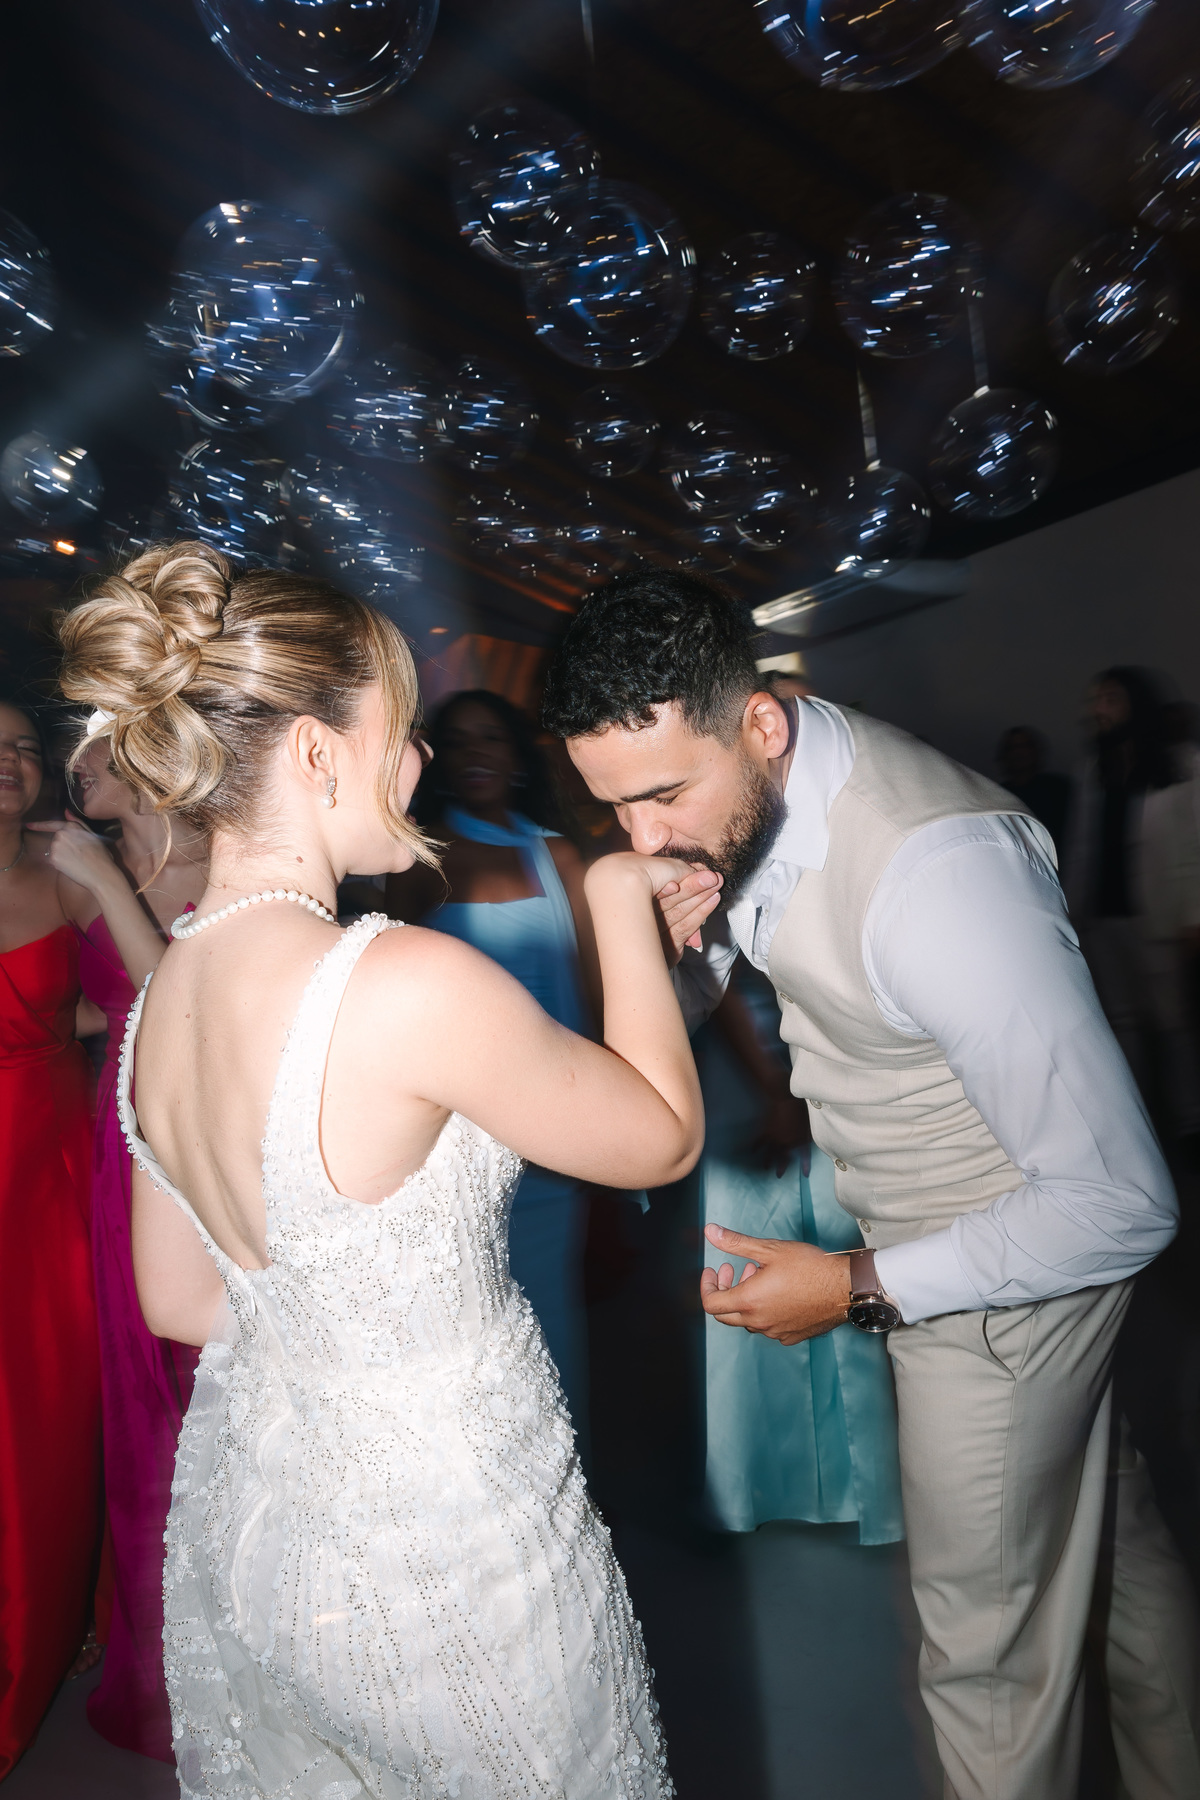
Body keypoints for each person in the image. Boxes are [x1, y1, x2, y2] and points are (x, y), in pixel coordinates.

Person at [55, 540, 716, 1798]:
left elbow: (183, 1304)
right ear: (317, 754)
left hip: (264, 1531)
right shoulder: (399, 982)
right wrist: (621, 896)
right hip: (447, 1543)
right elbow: (661, 1139)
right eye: (399, 731)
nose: (414, 763)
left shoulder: (160, 1002)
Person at [542, 570, 1200, 1800]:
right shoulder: (742, 803)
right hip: (954, 1243)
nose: (643, 838)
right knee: (1115, 1562)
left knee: (986, 1662)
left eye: (663, 794)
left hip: (1005, 1285)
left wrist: (851, 1284)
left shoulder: (935, 872)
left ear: (763, 722)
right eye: (614, 808)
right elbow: (753, 989)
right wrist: (677, 943)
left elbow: (1123, 1200)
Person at [27, 733, 207, 1760]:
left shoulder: (216, 856)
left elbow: (187, 1002)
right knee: (136, 1383)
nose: (68, 765)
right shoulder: (82, 865)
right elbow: (114, 1004)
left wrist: (102, 879)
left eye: (91, 750)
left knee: (202, 1379)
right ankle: (153, 1649)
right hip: (116, 1138)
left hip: (195, 1134)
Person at [386, 690, 599, 1427]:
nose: (478, 754)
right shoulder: (422, 858)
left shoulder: (557, 851)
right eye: (461, 742)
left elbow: (594, 988)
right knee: (473, 1320)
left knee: (556, 1319)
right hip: (460, 1133)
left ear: (515, 758)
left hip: (558, 1119)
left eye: (493, 740)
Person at [696, 962, 904, 1544]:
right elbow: (721, 974)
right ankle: (770, 1486)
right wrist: (773, 1086)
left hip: (817, 1058)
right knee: (756, 1266)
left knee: (835, 1266)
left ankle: (852, 1485)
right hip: (756, 1067)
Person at [0, 695, 102, 1780]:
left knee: (35, 1408)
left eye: (25, 749)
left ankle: (34, 1634)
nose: (11, 764)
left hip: (43, 1174)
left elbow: (143, 987)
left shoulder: (67, 876)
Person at [1065, 666, 1200, 1143]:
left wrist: (1193, 917)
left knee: (1173, 1023)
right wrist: (1073, 913)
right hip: (1104, 916)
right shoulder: (1095, 769)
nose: (1097, 709)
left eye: (1110, 699)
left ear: (1134, 705)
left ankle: (1190, 1123)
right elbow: (1084, 843)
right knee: (1123, 1025)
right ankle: (1143, 1128)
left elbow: (1193, 846)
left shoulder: (1181, 762)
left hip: (1158, 916)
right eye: (1096, 699)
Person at [996, 724, 1071, 857]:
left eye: (1024, 746)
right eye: (1012, 748)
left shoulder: (1059, 789)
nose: (1019, 752)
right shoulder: (996, 796)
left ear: (1036, 751)